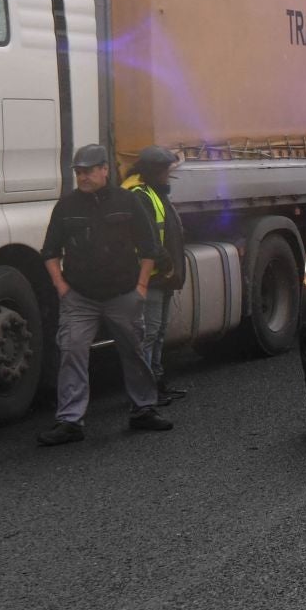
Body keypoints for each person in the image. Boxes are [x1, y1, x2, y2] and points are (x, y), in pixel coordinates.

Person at [36, 144, 174, 444]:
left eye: (88, 171)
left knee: (134, 351)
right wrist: (62, 288)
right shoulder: (66, 207)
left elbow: (149, 246)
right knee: (72, 351)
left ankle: (143, 410)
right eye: (79, 172)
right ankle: (70, 422)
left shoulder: (126, 201)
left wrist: (140, 287)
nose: (83, 177)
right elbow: (49, 252)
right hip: (80, 297)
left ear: (104, 170)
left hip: (122, 293)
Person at [124, 144, 188, 405]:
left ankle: (158, 385)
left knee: (158, 332)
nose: (168, 176)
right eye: (165, 171)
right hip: (152, 277)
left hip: (162, 277)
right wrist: (166, 262)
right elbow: (147, 237)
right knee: (149, 334)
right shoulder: (141, 195)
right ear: (153, 171)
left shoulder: (155, 193)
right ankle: (146, 391)